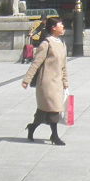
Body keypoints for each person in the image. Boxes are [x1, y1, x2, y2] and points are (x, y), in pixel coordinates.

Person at [22, 16, 70, 144]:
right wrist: (27, 79)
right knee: (54, 109)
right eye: (61, 25)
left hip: (58, 82)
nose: (63, 27)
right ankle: (54, 136)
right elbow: (35, 64)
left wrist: (65, 82)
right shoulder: (46, 44)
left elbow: (64, 65)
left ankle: (32, 126)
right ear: (54, 28)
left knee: (45, 111)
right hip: (46, 83)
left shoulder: (62, 44)